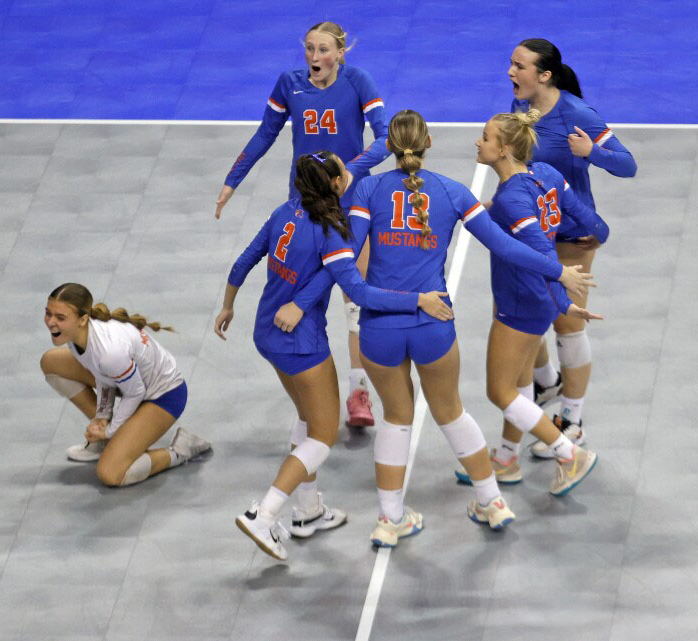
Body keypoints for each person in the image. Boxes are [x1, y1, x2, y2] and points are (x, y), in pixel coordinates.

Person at [282, 110, 597, 547]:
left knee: (396, 419)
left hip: (379, 330)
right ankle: (492, 502)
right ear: (428, 143)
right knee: (451, 412)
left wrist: (300, 303)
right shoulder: (453, 192)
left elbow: (343, 261)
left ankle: (390, 520)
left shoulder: (367, 190)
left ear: (390, 147)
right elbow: (506, 245)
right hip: (434, 325)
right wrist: (558, 272)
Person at [214, 150, 454, 561]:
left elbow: (242, 263)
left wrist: (227, 306)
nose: (350, 172)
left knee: (306, 416)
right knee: (323, 436)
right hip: (302, 343)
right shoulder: (330, 233)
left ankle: (308, 511)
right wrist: (419, 300)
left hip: (266, 332)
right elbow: (359, 293)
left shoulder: (283, 213)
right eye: (344, 170)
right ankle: (264, 514)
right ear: (336, 184)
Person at [215, 21, 391, 427]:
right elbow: (265, 134)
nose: (315, 57)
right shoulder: (289, 84)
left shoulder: (358, 81)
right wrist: (232, 180)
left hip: (351, 206)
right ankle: (309, 399)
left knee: (354, 302)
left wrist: (349, 170)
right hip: (307, 204)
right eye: (309, 48)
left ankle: (358, 393)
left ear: (341, 53)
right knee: (302, 300)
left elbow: (385, 138)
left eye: (324, 49)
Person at [457, 109, 603, 493]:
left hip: (520, 300)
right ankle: (507, 459)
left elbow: (541, 251)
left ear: (504, 149)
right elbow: (568, 216)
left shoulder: (511, 199)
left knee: (499, 391)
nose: (478, 142)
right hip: (533, 299)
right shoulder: (543, 175)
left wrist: (562, 295)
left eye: (486, 137)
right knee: (521, 382)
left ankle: (569, 454)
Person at [508, 38, 637, 456]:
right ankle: (547, 381)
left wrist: (592, 151)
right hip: (531, 233)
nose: (511, 72)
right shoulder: (521, 107)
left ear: (545, 75)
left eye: (520, 66)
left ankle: (573, 422)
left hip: (571, 237)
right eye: (512, 64)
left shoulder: (578, 115)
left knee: (567, 324)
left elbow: (628, 165)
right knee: (527, 315)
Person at [40, 283, 210, 487]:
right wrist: (102, 417)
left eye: (60, 317)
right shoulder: (77, 334)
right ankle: (106, 442)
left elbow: (135, 392)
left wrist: (110, 431)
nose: (51, 322)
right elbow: (102, 375)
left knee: (111, 474)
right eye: (48, 313)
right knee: (51, 362)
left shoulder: (109, 352)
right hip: (129, 382)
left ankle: (182, 449)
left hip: (164, 396)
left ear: (83, 319)